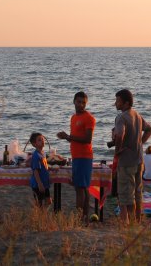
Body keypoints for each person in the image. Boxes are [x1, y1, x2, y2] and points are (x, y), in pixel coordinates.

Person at [113, 89, 151, 225]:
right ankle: (137, 220)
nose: (115, 104)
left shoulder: (122, 117)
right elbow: (149, 129)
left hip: (126, 161)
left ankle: (126, 223)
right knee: (137, 193)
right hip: (138, 160)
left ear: (125, 103)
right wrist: (140, 142)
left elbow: (119, 134)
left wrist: (118, 149)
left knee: (125, 194)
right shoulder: (137, 115)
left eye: (117, 101)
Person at [57, 91, 96, 225]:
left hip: (84, 157)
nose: (81, 105)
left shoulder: (89, 118)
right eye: (79, 102)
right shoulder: (73, 118)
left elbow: (87, 139)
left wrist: (68, 136)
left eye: (83, 103)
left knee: (81, 188)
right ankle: (83, 218)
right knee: (82, 187)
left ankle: (80, 218)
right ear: (74, 101)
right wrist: (66, 137)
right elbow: (74, 139)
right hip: (76, 156)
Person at [29, 132, 52, 208]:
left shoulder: (43, 153)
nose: (42, 141)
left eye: (42, 139)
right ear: (34, 144)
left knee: (48, 201)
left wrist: (49, 167)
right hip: (38, 184)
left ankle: (42, 216)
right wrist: (39, 184)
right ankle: (39, 217)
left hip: (45, 183)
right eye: (39, 140)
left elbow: (43, 165)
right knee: (39, 203)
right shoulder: (36, 155)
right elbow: (35, 171)